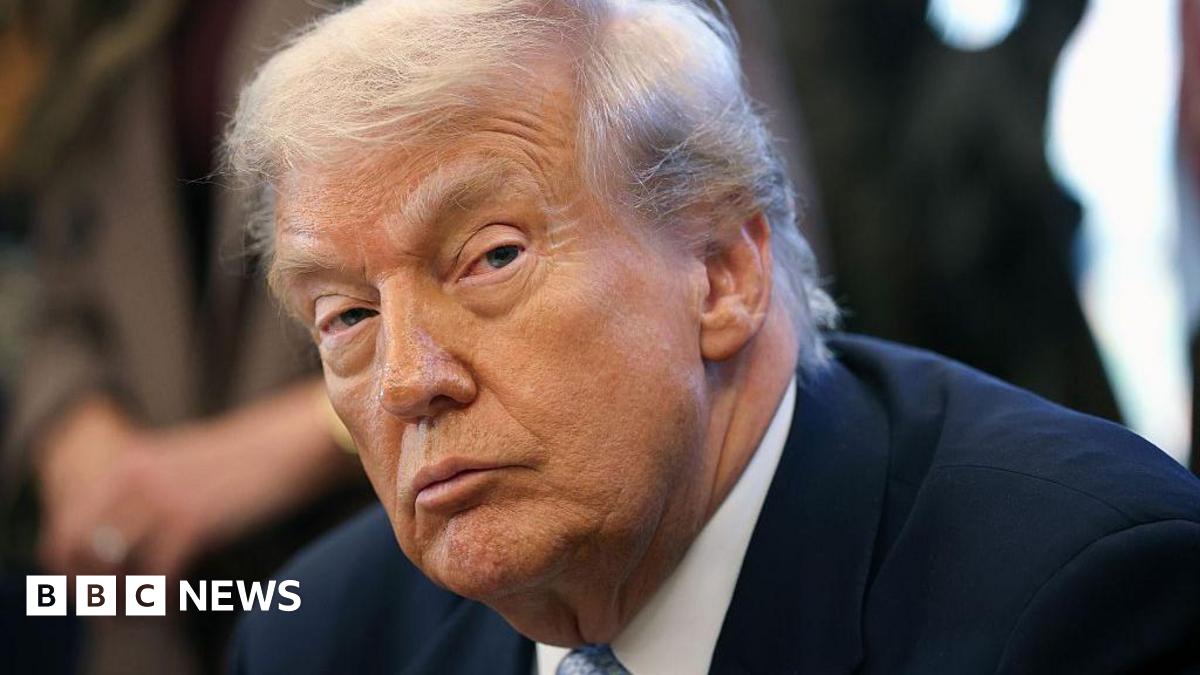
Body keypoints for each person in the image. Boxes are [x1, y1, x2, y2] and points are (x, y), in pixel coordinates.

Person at [224, 1, 1200, 673]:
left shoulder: (1079, 600)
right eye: (347, 315)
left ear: (723, 272)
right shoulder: (319, 633)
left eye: (491, 258)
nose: (405, 381)